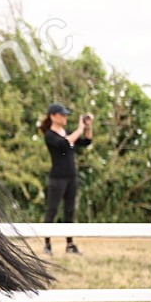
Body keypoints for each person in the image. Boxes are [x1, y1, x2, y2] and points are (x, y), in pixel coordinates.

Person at [39, 103, 94, 254]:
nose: (65, 117)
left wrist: (88, 127)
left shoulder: (67, 132)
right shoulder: (50, 135)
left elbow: (86, 141)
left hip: (71, 177)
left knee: (69, 211)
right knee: (52, 210)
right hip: (57, 178)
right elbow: (65, 143)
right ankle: (47, 244)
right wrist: (80, 128)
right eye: (62, 115)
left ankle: (70, 245)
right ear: (53, 116)